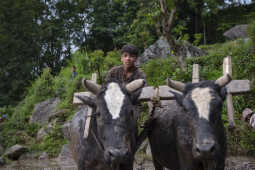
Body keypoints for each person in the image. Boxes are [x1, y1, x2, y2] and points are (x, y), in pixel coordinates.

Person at [105, 44, 147, 121]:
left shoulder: (140, 74)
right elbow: (106, 89)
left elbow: (141, 94)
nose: (128, 58)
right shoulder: (113, 72)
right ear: (121, 58)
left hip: (133, 105)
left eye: (131, 56)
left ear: (136, 59)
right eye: (125, 56)